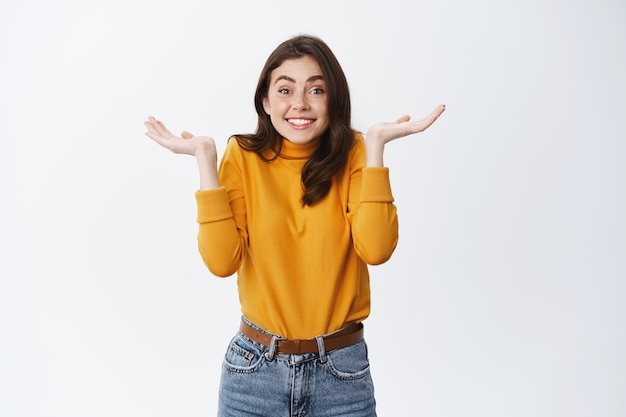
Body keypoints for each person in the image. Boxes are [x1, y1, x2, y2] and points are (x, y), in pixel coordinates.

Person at [144, 34, 445, 417]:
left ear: (333, 99)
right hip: (254, 373)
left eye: (316, 89)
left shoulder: (355, 154)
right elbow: (222, 263)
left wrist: (375, 149)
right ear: (266, 101)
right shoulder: (242, 157)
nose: (300, 103)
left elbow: (377, 248)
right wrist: (205, 160)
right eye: (285, 90)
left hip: (341, 375)